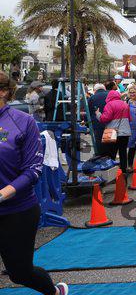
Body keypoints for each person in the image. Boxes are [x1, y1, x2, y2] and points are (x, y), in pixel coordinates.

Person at [0, 72, 69, 295]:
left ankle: (54, 292)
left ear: (3, 92)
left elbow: (33, 170)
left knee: (19, 272)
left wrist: (3, 194)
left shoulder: (22, 122)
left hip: (16, 211)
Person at [97, 90, 132, 173]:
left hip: (113, 132)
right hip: (125, 132)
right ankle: (123, 171)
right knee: (123, 152)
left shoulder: (109, 105)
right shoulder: (125, 104)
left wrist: (98, 114)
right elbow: (130, 118)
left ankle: (112, 172)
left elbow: (105, 118)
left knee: (112, 153)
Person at [88, 83, 109, 157]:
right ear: (104, 89)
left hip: (97, 122)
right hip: (109, 122)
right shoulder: (109, 95)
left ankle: (99, 155)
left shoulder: (92, 98)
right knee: (109, 140)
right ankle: (108, 155)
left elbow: (89, 111)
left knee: (99, 140)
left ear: (95, 90)